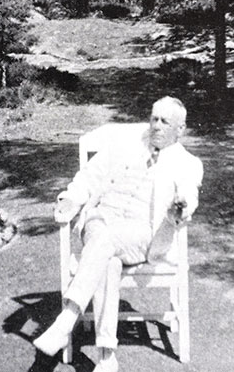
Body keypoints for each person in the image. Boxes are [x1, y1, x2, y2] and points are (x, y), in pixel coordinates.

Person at [33, 96, 203, 372]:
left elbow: (188, 193)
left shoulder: (187, 163)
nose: (156, 126)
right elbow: (89, 175)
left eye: (165, 121)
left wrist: (181, 206)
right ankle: (106, 356)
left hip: (142, 232)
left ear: (180, 129)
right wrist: (71, 198)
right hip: (101, 220)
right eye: (154, 118)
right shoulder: (126, 144)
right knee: (107, 259)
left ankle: (66, 321)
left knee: (105, 242)